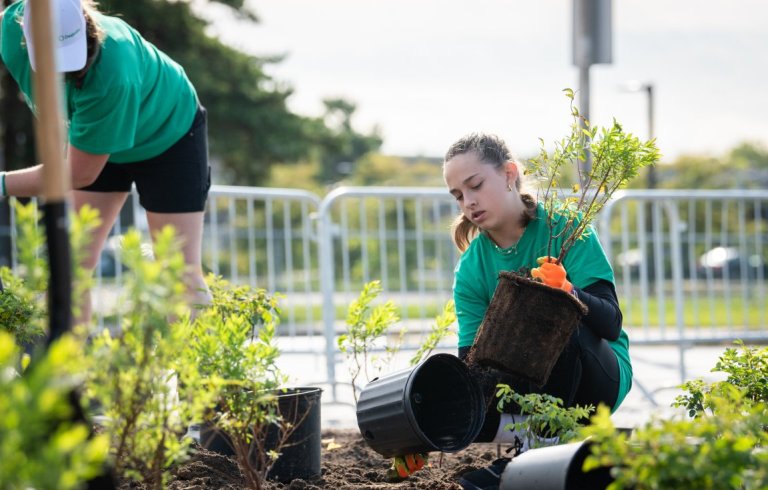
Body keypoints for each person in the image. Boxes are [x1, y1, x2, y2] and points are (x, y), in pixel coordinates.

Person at [393, 132, 633, 490]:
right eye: (458, 196)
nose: (468, 202)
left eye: (475, 186)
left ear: (508, 174)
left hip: (595, 379)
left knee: (552, 318)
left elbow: (610, 324)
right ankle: (539, 451)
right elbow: (472, 364)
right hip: (524, 392)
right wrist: (430, 429)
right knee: (441, 388)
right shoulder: (472, 267)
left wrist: (567, 290)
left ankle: (530, 458)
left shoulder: (565, 228)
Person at [0, 0, 212, 324]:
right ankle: (69, 369)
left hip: (169, 136)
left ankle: (197, 374)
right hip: (94, 141)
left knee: (179, 274)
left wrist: (2, 183)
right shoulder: (11, 27)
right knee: (67, 268)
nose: (65, 70)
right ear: (25, 40)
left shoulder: (114, 71)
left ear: (86, 26)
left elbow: (79, 174)